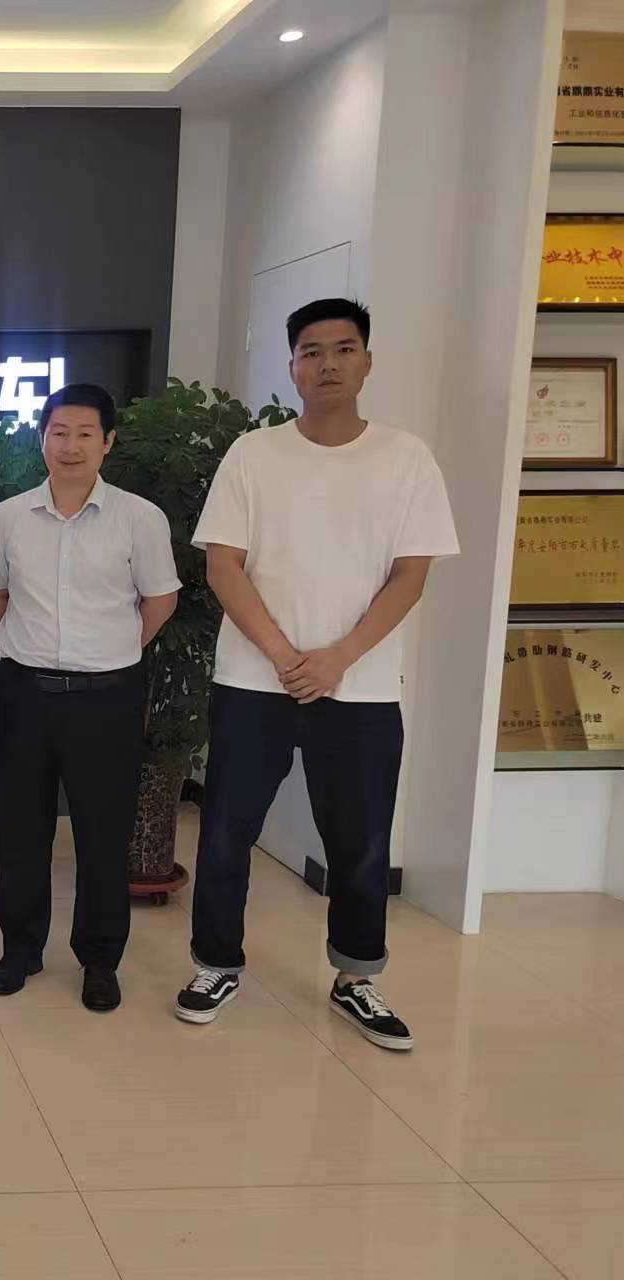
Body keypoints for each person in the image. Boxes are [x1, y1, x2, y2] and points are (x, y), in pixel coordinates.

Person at [176, 298, 458, 1051]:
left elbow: (410, 575)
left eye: (342, 349)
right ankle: (215, 964)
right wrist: (282, 653)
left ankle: (356, 977)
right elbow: (224, 566)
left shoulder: (406, 458)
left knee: (360, 844)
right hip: (252, 683)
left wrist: (337, 657)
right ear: (292, 366)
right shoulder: (254, 454)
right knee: (226, 833)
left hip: (360, 688)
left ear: (368, 360)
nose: (327, 364)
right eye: (311, 351)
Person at [0, 383, 180, 1011]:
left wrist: (111, 650)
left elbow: (160, 600)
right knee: (20, 831)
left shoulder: (139, 518)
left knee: (102, 834)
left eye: (85, 433)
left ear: (108, 441)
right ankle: (20, 949)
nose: (70, 445)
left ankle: (99, 959)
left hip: (106, 700)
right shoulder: (9, 517)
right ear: (43, 439)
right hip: (24, 693)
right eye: (58, 432)